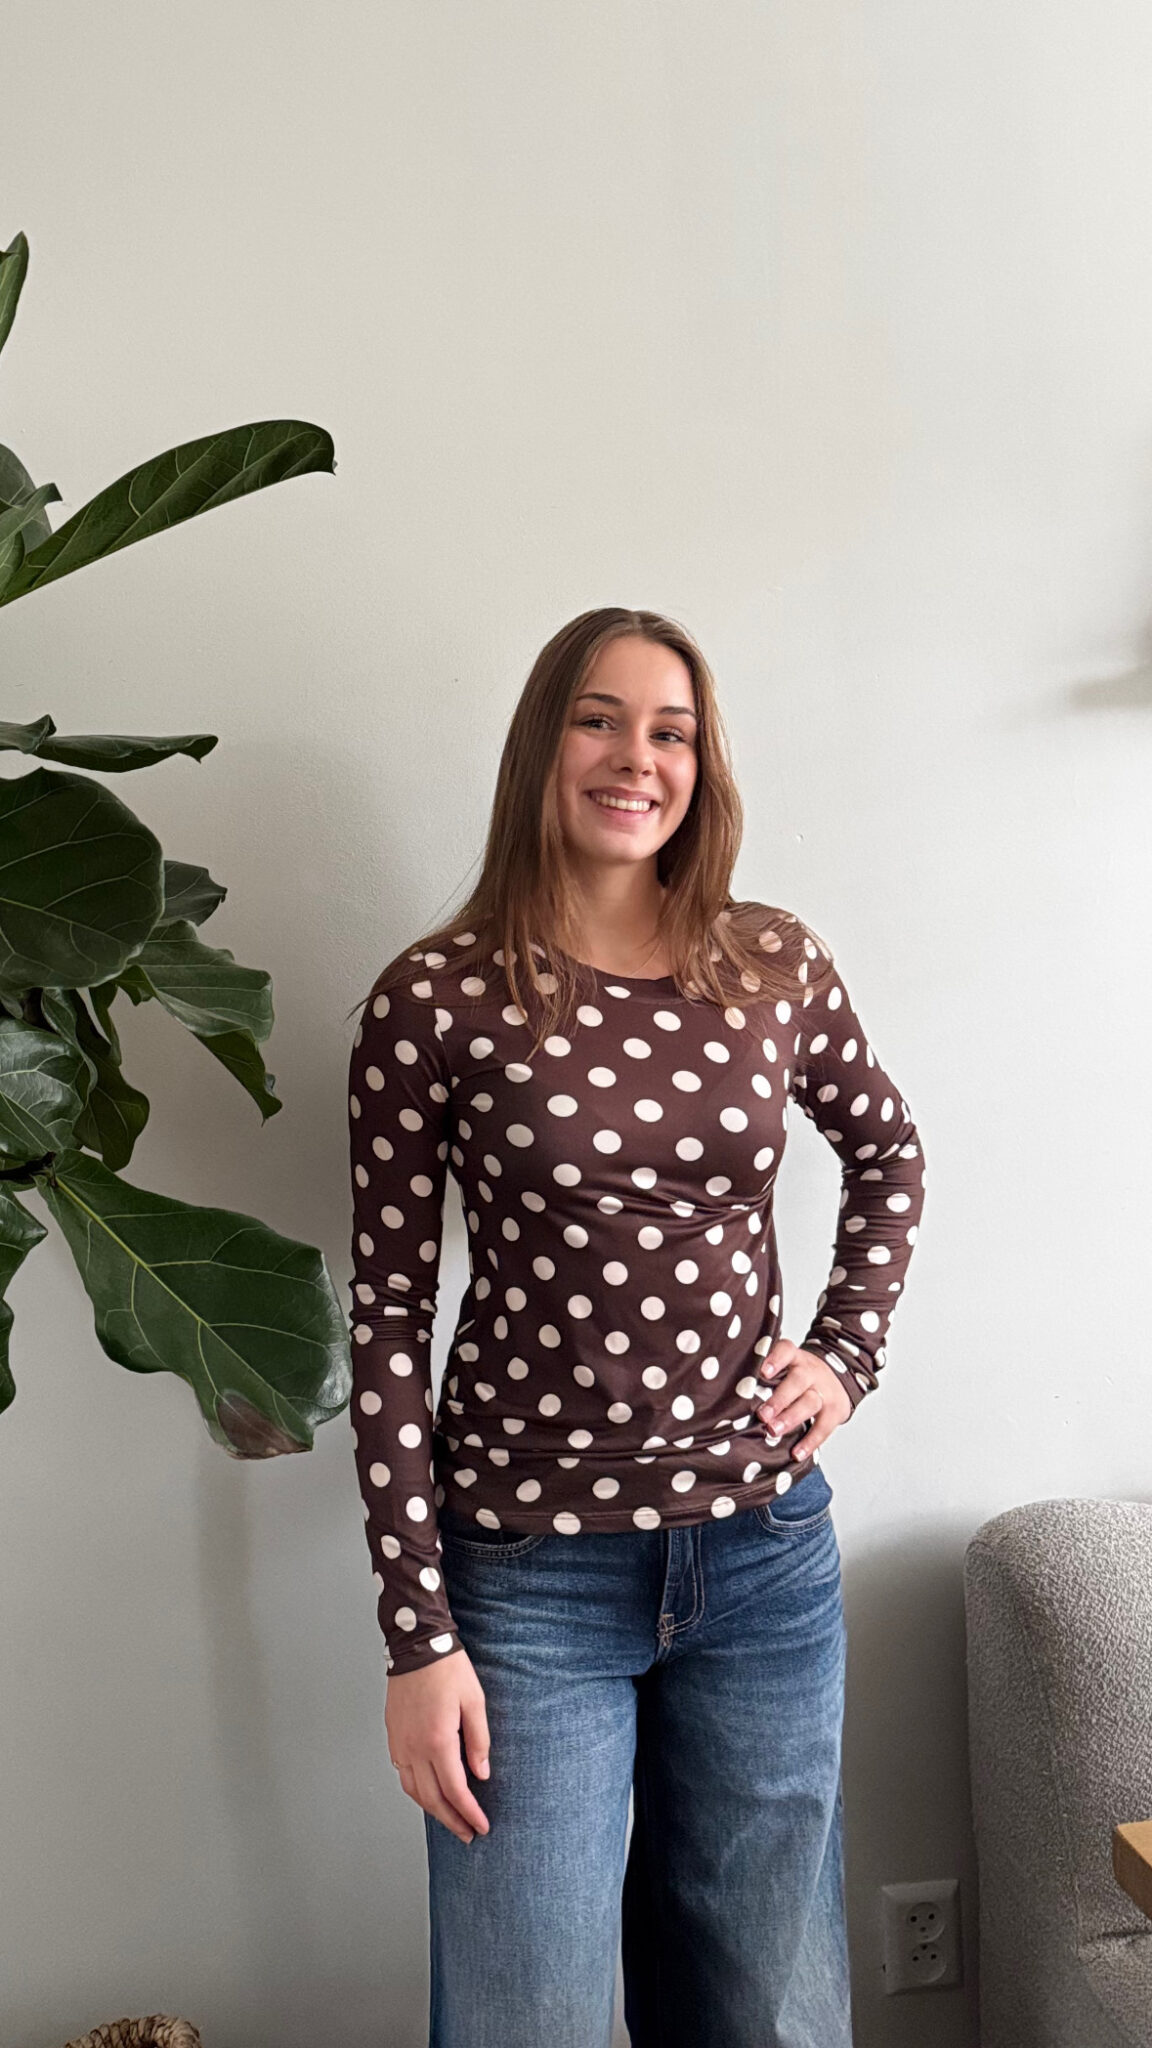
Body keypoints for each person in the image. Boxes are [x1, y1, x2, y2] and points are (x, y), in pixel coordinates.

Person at [345, 605, 926, 2048]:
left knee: (771, 2011)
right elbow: (388, 1316)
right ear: (543, 742)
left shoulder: (771, 963)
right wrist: (417, 1636)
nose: (635, 758)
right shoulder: (436, 997)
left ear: (702, 765)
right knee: (526, 2015)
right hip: (526, 1580)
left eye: (672, 731)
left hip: (762, 1555)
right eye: (599, 719)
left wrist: (845, 1354)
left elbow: (887, 1150)